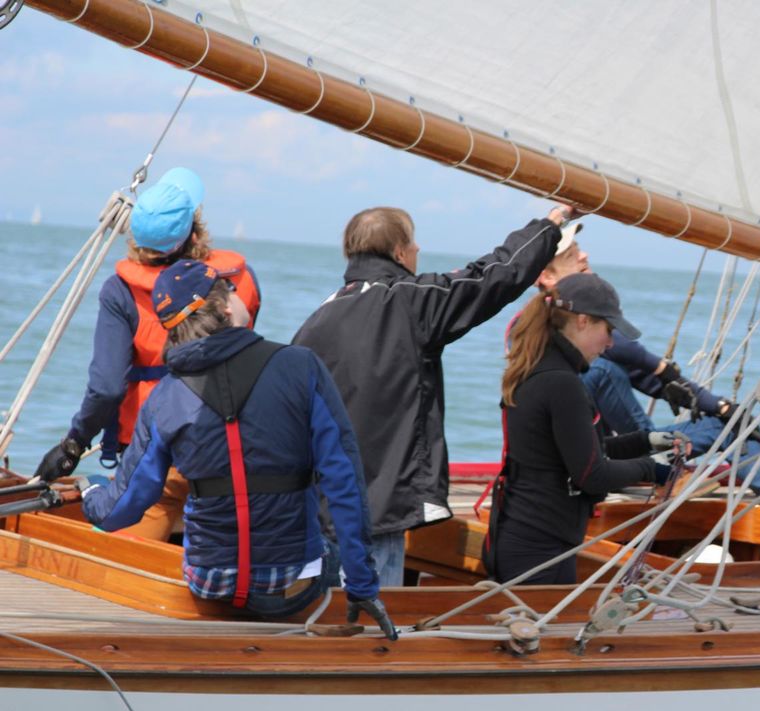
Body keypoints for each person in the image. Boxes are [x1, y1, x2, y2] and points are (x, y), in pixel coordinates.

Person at [78, 260, 393, 632]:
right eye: (230, 289)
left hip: (210, 581)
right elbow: (343, 479)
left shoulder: (164, 398)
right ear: (226, 308)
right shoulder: (300, 366)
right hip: (293, 584)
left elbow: (122, 509)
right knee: (328, 549)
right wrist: (362, 586)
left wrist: (91, 492)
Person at [294, 203, 576, 586]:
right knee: (374, 614)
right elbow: (494, 275)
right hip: (376, 507)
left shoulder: (318, 319)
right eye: (412, 242)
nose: (418, 249)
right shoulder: (409, 301)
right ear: (399, 252)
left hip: (321, 507)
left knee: (332, 609)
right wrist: (551, 224)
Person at [533, 229, 760, 518]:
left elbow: (646, 376)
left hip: (624, 446)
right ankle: (663, 470)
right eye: (572, 254)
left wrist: (718, 406)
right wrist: (672, 376)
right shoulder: (540, 331)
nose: (584, 255)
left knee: (731, 425)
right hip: (597, 455)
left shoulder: (589, 336)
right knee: (602, 370)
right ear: (546, 277)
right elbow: (628, 354)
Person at [36, 167, 261, 541]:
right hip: (230, 442)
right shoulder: (241, 278)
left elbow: (107, 388)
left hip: (156, 448)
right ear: (194, 232)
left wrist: (74, 443)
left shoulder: (121, 291)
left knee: (131, 548)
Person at [490, 272, 686, 584]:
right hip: (541, 550)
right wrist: (652, 469)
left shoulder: (540, 368)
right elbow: (592, 475)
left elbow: (578, 452)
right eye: (608, 330)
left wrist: (645, 440)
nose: (610, 343)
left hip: (525, 537)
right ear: (583, 321)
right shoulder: (562, 384)